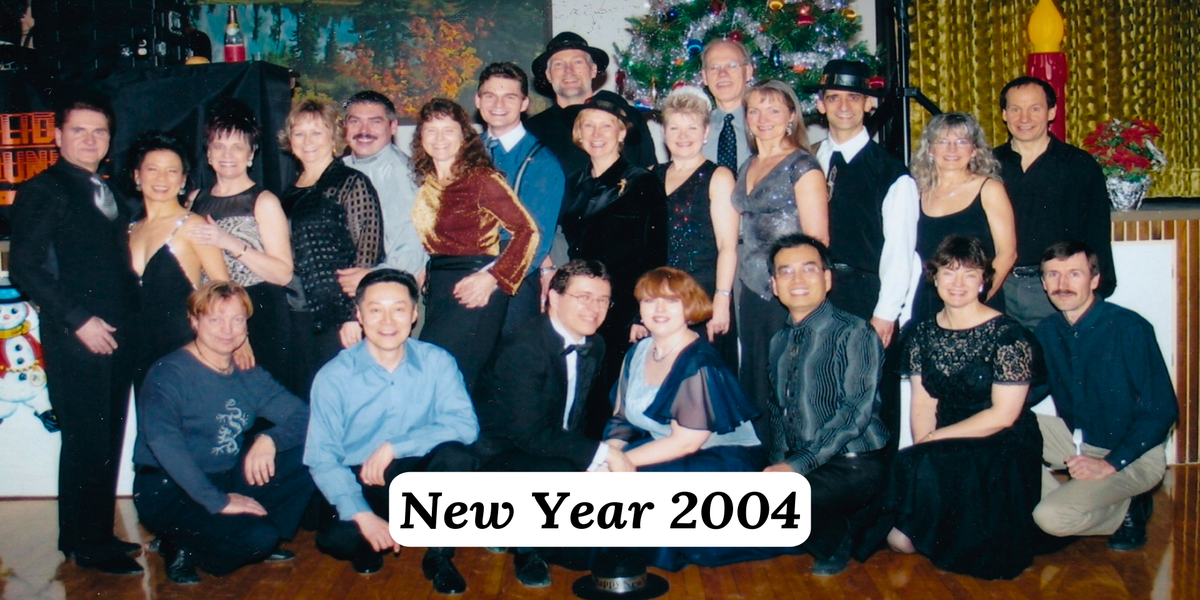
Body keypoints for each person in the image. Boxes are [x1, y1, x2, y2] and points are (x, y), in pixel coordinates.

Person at [9, 95, 143, 574]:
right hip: (78, 336)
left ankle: (85, 534)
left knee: (104, 439)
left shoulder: (105, 190)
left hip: (115, 334)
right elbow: (26, 267)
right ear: (58, 136)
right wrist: (79, 320)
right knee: (88, 439)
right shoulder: (43, 190)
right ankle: (90, 545)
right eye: (79, 130)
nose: (90, 139)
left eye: (99, 131)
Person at [860, 235, 1042, 580]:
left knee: (923, 534)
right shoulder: (922, 332)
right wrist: (925, 445)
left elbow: (1003, 416)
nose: (958, 283)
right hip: (947, 438)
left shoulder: (1009, 336)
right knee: (900, 541)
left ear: (983, 281)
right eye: (949, 272)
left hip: (1001, 442)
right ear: (935, 277)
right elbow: (923, 401)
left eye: (970, 274)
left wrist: (936, 441)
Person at [305, 269, 478, 593]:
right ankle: (371, 539)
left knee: (457, 457)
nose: (387, 321)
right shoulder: (334, 376)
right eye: (375, 310)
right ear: (359, 316)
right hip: (361, 478)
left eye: (398, 309)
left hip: (412, 473)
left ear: (414, 314)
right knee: (337, 538)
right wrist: (362, 515)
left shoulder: (437, 361)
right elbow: (322, 457)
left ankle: (439, 555)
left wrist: (395, 446)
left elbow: (465, 425)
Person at [132, 282, 313, 584]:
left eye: (237, 319)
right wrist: (217, 501)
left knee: (310, 454)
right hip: (169, 489)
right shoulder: (170, 372)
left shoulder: (247, 373)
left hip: (224, 478)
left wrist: (270, 439)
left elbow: (304, 417)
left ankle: (247, 535)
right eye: (215, 319)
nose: (227, 329)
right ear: (194, 321)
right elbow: (163, 442)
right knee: (258, 538)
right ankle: (183, 544)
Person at [472, 260, 635, 587]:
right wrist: (600, 456)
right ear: (554, 298)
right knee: (578, 551)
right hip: (499, 458)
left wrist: (592, 462)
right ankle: (524, 546)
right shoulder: (524, 348)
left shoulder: (595, 344)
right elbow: (529, 435)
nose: (594, 308)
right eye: (583, 297)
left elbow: (578, 415)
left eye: (602, 300)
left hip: (547, 445)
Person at [604, 267, 763, 570]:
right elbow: (622, 419)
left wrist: (621, 463)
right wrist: (607, 455)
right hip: (667, 448)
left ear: (689, 308)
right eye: (650, 301)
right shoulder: (638, 352)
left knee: (640, 489)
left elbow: (686, 443)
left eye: (671, 301)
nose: (659, 309)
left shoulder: (698, 360)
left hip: (721, 460)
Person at [1031, 241, 1177, 551]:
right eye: (1053, 275)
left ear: (1095, 280)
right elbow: (1032, 388)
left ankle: (1129, 508)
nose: (1062, 284)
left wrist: (1110, 464)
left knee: (1049, 519)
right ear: (1043, 283)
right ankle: (1090, 500)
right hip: (1079, 444)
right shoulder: (1047, 331)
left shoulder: (1129, 328)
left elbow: (1162, 411)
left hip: (1133, 455)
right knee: (1005, 432)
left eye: (1074, 274)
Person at [764, 234, 889, 576]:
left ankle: (838, 538)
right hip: (808, 463)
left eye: (809, 269)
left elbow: (855, 413)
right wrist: (779, 463)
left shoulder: (855, 332)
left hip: (854, 463)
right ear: (774, 285)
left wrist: (794, 467)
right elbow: (776, 411)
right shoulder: (778, 341)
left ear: (828, 278)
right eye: (786, 272)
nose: (798, 279)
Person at [410, 98, 540, 390]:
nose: (440, 138)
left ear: (464, 137)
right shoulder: (427, 182)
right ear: (421, 137)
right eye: (431, 130)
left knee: (445, 379)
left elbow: (527, 231)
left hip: (474, 287)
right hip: (439, 286)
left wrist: (494, 277)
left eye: (449, 130)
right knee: (437, 379)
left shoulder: (481, 179)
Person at [559, 91, 668, 437]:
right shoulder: (574, 182)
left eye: (606, 126)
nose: (596, 133)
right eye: (588, 125)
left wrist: (640, 313)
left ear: (622, 133)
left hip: (622, 306)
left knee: (613, 393)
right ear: (578, 133)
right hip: (581, 301)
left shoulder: (642, 182)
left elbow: (655, 254)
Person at [732, 80, 828, 435]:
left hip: (789, 289)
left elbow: (818, 240)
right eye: (754, 110)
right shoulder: (749, 164)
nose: (763, 118)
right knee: (757, 378)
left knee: (790, 380)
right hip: (751, 288)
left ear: (791, 116)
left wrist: (797, 289)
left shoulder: (802, 164)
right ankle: (762, 458)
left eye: (773, 110)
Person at [278, 99, 383, 399]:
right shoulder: (289, 190)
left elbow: (367, 256)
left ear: (333, 136)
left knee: (338, 398)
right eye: (299, 133)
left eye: (317, 132)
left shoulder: (351, 182)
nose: (307, 141)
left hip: (335, 315)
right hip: (295, 311)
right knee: (305, 397)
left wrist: (353, 316)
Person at [810, 59, 919, 346]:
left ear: (868, 103)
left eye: (854, 97)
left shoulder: (890, 173)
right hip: (811, 294)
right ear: (821, 104)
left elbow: (899, 252)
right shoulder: (808, 160)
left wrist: (885, 313)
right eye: (833, 97)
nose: (843, 106)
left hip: (863, 298)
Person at [995, 76, 1117, 329]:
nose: (1024, 118)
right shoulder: (987, 165)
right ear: (1004, 114)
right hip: (1000, 289)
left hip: (1055, 290)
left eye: (1035, 108)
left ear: (1052, 112)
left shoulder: (1079, 165)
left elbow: (1097, 231)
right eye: (1015, 109)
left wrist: (1098, 289)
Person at [188, 98, 294, 387]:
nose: (227, 154)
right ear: (208, 153)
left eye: (237, 147)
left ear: (251, 154)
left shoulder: (263, 201)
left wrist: (229, 242)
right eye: (219, 146)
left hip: (258, 311)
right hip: (211, 313)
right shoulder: (195, 200)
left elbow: (283, 273)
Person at [128, 131, 232, 389]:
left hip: (183, 351)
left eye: (172, 171)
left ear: (183, 179)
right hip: (137, 351)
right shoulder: (130, 229)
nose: (162, 178)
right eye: (152, 169)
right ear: (137, 176)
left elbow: (224, 290)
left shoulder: (192, 225)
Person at [474, 63, 565, 333]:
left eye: (510, 97)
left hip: (513, 279)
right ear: (478, 100)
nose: (498, 104)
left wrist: (492, 278)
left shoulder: (541, 162)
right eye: (490, 95)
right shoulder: (464, 152)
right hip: (466, 267)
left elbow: (536, 237)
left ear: (524, 103)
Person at [655, 86, 739, 370]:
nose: (683, 136)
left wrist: (722, 301)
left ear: (705, 132)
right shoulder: (651, 175)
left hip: (701, 297)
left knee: (700, 382)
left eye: (692, 127)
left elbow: (727, 246)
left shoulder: (719, 176)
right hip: (659, 296)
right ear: (664, 132)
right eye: (675, 128)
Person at [910, 112, 1016, 322]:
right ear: (930, 149)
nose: (952, 149)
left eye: (961, 142)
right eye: (943, 141)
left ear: (974, 150)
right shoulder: (917, 193)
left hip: (976, 303)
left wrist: (978, 299)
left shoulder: (990, 189)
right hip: (929, 303)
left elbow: (1007, 253)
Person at [526, 31, 657, 178]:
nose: (569, 71)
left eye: (578, 62)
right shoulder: (533, 130)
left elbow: (650, 173)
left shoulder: (627, 117)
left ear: (593, 70)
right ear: (549, 75)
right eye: (559, 64)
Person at [337, 91, 428, 294]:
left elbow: (410, 248)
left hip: (386, 289)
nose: (364, 130)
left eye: (375, 122)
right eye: (355, 122)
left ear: (393, 127)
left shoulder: (401, 174)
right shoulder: (340, 168)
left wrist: (371, 277)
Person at [699, 38, 754, 175]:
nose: (722, 73)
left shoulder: (766, 125)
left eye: (732, 65)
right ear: (704, 77)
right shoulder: (695, 131)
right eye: (714, 68)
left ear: (748, 72)